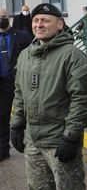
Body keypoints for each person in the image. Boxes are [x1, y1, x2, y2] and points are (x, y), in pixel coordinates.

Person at [10, 3, 87, 189]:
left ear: (60, 24)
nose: (39, 24)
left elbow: (82, 100)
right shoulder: (25, 55)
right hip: (33, 141)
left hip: (59, 140)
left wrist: (71, 137)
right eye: (35, 20)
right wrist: (17, 124)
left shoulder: (72, 56)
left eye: (45, 20)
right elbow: (19, 93)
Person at [0, 8, 31, 162]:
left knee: (30, 113)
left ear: (9, 18)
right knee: (2, 117)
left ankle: (33, 146)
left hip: (20, 82)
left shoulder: (22, 36)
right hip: (2, 84)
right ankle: (3, 149)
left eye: (4, 16)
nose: (2, 19)